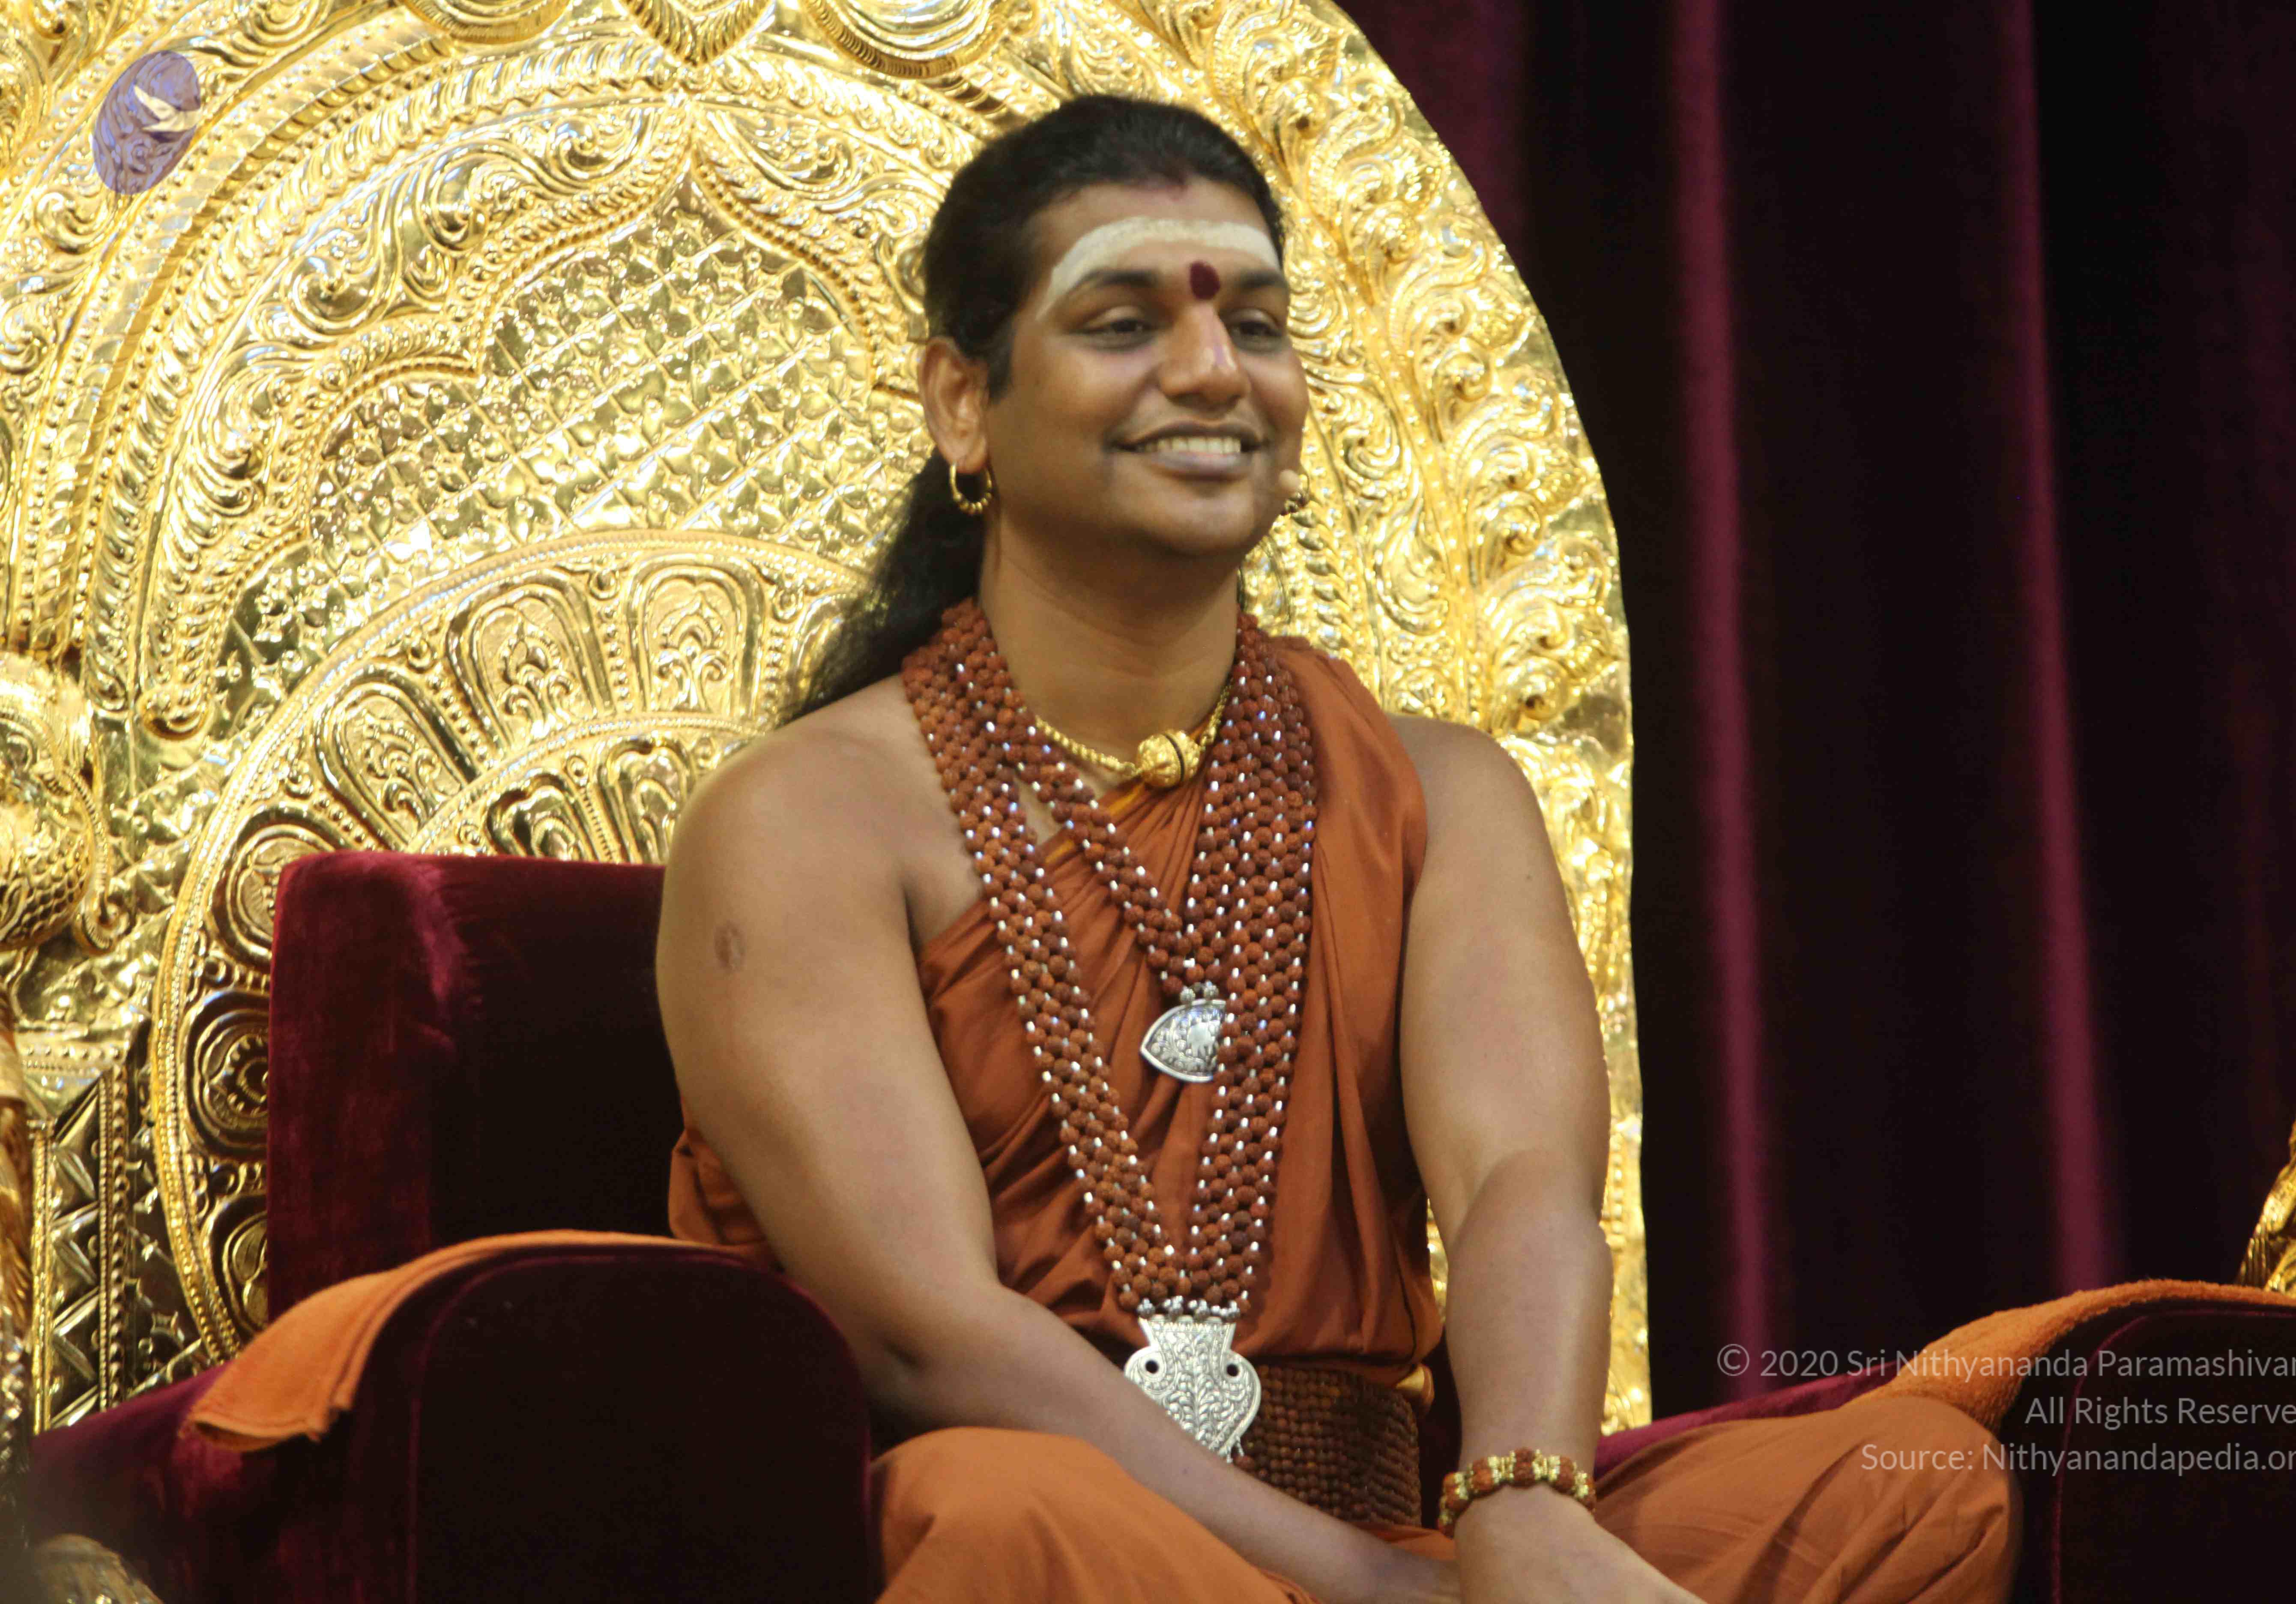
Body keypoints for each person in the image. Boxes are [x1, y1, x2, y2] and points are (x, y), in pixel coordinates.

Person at [655, 94, 2018, 1604]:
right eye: (1123, 324)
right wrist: (1367, 1591)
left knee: (1913, 1486)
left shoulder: (1437, 793)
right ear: (964, 402)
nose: (1212, 371)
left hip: (1413, 1542)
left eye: (1256, 324)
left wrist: (1522, 1505)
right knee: (999, 1515)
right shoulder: (808, 817)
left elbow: (1519, 1184)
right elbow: (926, 1332)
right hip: (1083, 1542)